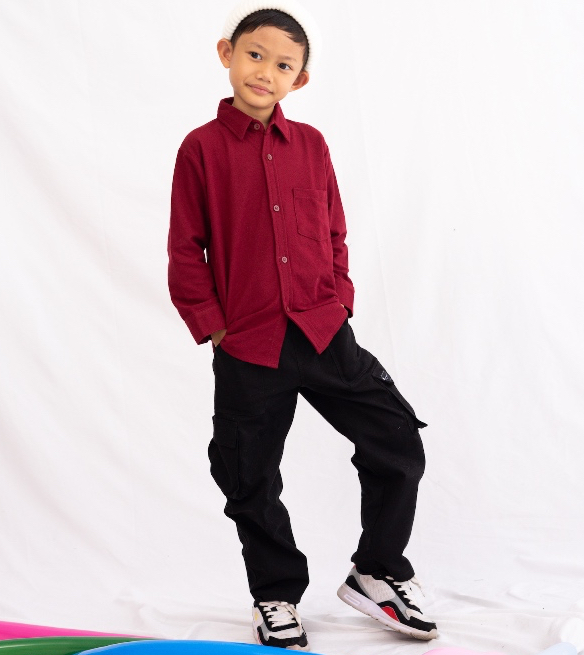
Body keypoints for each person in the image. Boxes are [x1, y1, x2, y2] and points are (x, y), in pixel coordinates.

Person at [167, 0, 438, 650]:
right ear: (226, 53)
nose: (265, 72)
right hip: (249, 344)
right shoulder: (200, 149)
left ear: (301, 79)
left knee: (396, 438)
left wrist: (339, 299)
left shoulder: (311, 145)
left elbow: (334, 230)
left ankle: (376, 571)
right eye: (255, 55)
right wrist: (216, 327)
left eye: (283, 65)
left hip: (323, 334)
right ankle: (275, 594)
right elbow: (185, 248)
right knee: (249, 475)